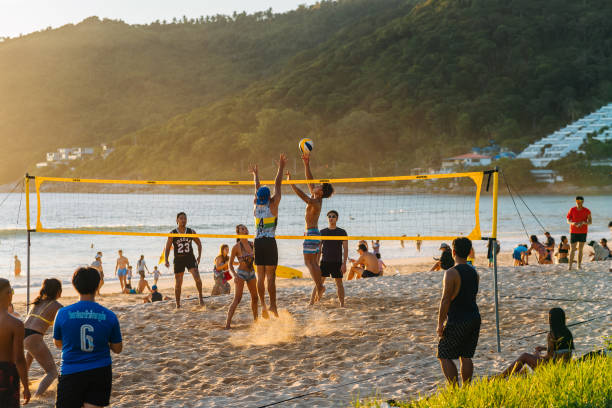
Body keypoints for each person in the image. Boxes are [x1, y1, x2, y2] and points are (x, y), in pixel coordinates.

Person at [54, 267, 122, 408]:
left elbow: (58, 343)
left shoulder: (62, 313)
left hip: (71, 370)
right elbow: (117, 348)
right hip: (100, 370)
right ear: (98, 285)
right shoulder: (109, 315)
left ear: (74, 286)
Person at [288, 154, 334, 304]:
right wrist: (306, 164)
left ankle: (320, 286)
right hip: (313, 233)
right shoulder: (317, 197)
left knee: (310, 263)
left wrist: (292, 184)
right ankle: (320, 286)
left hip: (312, 233)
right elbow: (310, 179)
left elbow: (304, 198)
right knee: (312, 263)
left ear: (321, 192)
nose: (316, 185)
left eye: (319, 186)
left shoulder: (315, 201)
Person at [437, 237, 480, 386]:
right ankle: (466, 389)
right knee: (466, 356)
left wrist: (440, 324)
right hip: (474, 317)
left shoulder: (451, 273)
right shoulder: (474, 272)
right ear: (469, 252)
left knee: (443, 354)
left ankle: (455, 389)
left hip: (458, 319)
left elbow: (445, 300)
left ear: (453, 251)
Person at [251, 154, 287, 319]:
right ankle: (272, 305)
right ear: (269, 197)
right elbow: (277, 184)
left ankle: (263, 305)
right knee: (270, 276)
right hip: (269, 243)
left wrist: (256, 176)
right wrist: (281, 166)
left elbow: (257, 189)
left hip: (257, 243)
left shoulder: (256, 205)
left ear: (258, 197)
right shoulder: (273, 204)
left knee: (260, 276)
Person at [496, 308, 573, 378]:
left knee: (525, 356)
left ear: (552, 320)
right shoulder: (567, 333)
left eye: (549, 318)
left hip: (552, 371)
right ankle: (518, 374)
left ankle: (501, 377)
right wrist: (545, 348)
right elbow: (560, 350)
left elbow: (548, 358)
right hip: (563, 369)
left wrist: (537, 354)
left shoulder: (552, 335)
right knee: (527, 361)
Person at [23, 278, 62, 397]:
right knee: (52, 372)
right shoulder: (57, 305)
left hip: (22, 334)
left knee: (30, 355)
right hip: (34, 336)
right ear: (58, 291)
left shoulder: (37, 301)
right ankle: (37, 396)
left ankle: (22, 381)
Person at [0, 278, 30, 406]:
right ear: (8, 294)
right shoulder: (15, 324)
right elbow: (19, 359)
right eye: (11, 291)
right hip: (6, 374)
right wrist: (26, 386)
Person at [164, 212, 204, 308]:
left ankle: (201, 297)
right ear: (177, 220)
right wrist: (166, 259)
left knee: (197, 278)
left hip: (190, 257)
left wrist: (199, 256)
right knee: (178, 283)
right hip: (178, 260)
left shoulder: (191, 231)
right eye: (181, 218)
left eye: (185, 218)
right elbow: (168, 247)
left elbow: (199, 243)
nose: (183, 220)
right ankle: (178, 304)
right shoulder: (172, 233)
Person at [225, 224, 258, 329]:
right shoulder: (236, 247)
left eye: (246, 228)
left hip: (252, 273)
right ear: (238, 233)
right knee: (237, 299)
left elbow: (257, 259)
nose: (245, 230)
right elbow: (230, 264)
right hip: (241, 274)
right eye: (242, 229)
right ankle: (227, 324)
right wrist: (234, 275)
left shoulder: (252, 244)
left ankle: (256, 321)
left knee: (255, 298)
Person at [318, 210, 348, 307]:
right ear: (327, 218)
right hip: (325, 261)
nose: (331, 218)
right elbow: (318, 250)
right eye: (329, 216)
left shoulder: (342, 232)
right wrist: (316, 263)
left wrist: (344, 263)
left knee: (339, 283)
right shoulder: (322, 232)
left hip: (337, 262)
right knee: (319, 283)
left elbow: (346, 249)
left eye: (333, 216)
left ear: (337, 219)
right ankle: (314, 301)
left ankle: (342, 304)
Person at [567, 196, 592, 270]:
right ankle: (570, 266)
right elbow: (568, 220)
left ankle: (579, 265)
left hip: (583, 232)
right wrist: (573, 223)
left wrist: (583, 223)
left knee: (580, 249)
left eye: (580, 202)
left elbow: (590, 222)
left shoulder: (587, 210)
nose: (578, 203)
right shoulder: (572, 209)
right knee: (572, 249)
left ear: (582, 202)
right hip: (573, 232)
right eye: (577, 202)